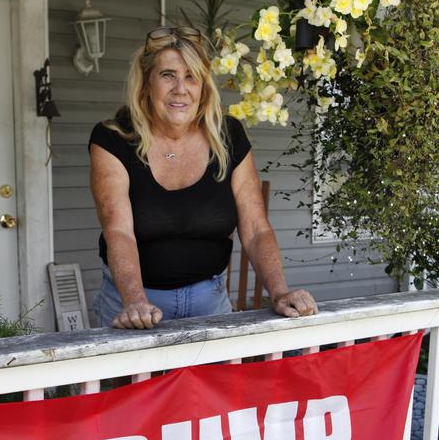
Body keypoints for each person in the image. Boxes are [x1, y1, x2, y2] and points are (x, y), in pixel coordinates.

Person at [89, 25, 318, 330]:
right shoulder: (113, 139)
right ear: (146, 84)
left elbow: (255, 228)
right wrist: (135, 301)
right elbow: (119, 231)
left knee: (217, 381)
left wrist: (278, 291)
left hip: (211, 303)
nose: (180, 89)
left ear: (204, 87)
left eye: (191, 77)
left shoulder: (229, 136)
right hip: (134, 307)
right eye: (168, 75)